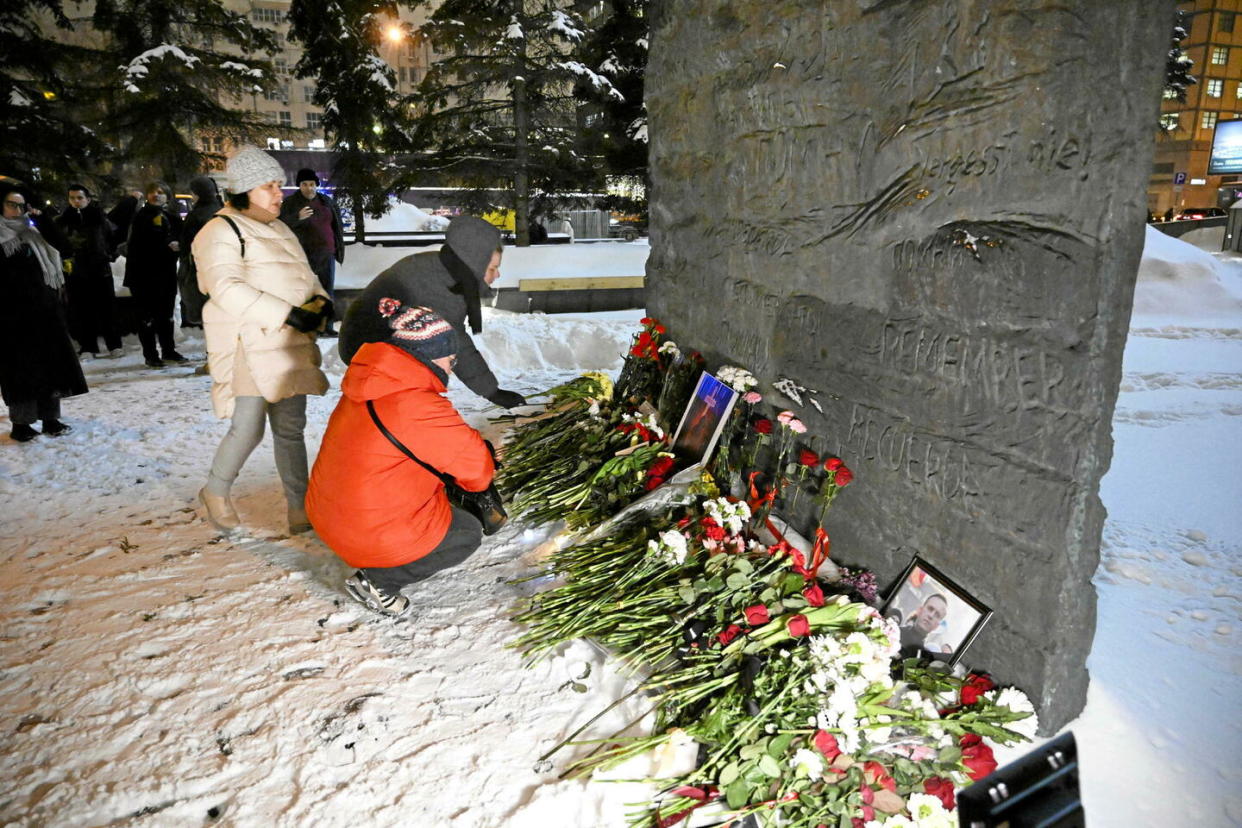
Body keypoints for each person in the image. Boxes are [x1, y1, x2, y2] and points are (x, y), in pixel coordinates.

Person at [306, 302, 495, 616]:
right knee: (466, 532)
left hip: (327, 516)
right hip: (365, 532)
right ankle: (379, 581)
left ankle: (372, 553)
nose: (452, 366)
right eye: (451, 358)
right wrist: (485, 452)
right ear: (430, 355)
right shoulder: (415, 404)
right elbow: (477, 472)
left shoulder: (372, 385)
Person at [193, 146, 332, 536]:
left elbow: (305, 277)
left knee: (290, 430)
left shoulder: (279, 227)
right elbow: (224, 286)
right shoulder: (220, 230)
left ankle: (300, 509)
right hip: (249, 346)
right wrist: (287, 313)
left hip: (288, 346)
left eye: (279, 186)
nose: (278, 194)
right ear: (244, 190)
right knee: (249, 426)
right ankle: (216, 491)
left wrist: (320, 303)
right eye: (269, 186)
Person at [339, 215, 526, 409]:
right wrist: (492, 392)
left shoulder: (446, 269)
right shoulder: (436, 288)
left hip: (380, 342)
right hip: (367, 347)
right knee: (411, 397)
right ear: (474, 265)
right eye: (492, 268)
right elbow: (456, 343)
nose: (497, 275)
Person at [0, 180, 88, 442]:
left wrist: (44, 218)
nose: (17, 210)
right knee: (21, 371)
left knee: (52, 365)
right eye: (11, 205)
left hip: (46, 312)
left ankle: (51, 418)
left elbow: (64, 246)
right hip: (12, 317)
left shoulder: (34, 234)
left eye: (21, 205)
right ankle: (22, 423)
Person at [54, 184, 123, 359]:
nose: (76, 201)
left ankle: (114, 344)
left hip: (100, 269)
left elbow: (113, 238)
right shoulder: (63, 221)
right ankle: (88, 346)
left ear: (88, 199)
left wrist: (110, 254)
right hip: (76, 271)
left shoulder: (100, 218)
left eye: (79, 197)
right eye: (72, 198)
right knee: (81, 310)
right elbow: (59, 243)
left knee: (107, 308)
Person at [125, 182, 186, 367]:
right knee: (146, 317)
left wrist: (178, 245)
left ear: (167, 196)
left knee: (166, 315)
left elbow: (182, 238)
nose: (156, 195)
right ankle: (151, 355)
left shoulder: (172, 217)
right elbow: (138, 245)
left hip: (165, 273)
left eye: (161, 192)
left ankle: (169, 350)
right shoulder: (140, 216)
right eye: (152, 192)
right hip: (143, 275)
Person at [279, 168, 344, 337]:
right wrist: (297, 218)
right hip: (303, 256)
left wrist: (337, 246)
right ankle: (308, 327)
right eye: (305, 184)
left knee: (327, 292)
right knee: (306, 292)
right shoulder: (290, 204)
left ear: (317, 185)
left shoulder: (325, 201)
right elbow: (279, 227)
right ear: (299, 186)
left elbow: (336, 224)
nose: (309, 188)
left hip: (326, 253)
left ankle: (327, 326)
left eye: (312, 184)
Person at [178, 176, 222, 329]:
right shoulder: (221, 209)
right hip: (221, 268)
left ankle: (215, 351)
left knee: (208, 315)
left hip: (201, 270)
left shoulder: (196, 215)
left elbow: (187, 245)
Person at [896, 593, 954, 660]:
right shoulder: (893, 631)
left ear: (937, 626)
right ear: (920, 610)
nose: (931, 616)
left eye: (937, 615)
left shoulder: (922, 661)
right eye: (930, 609)